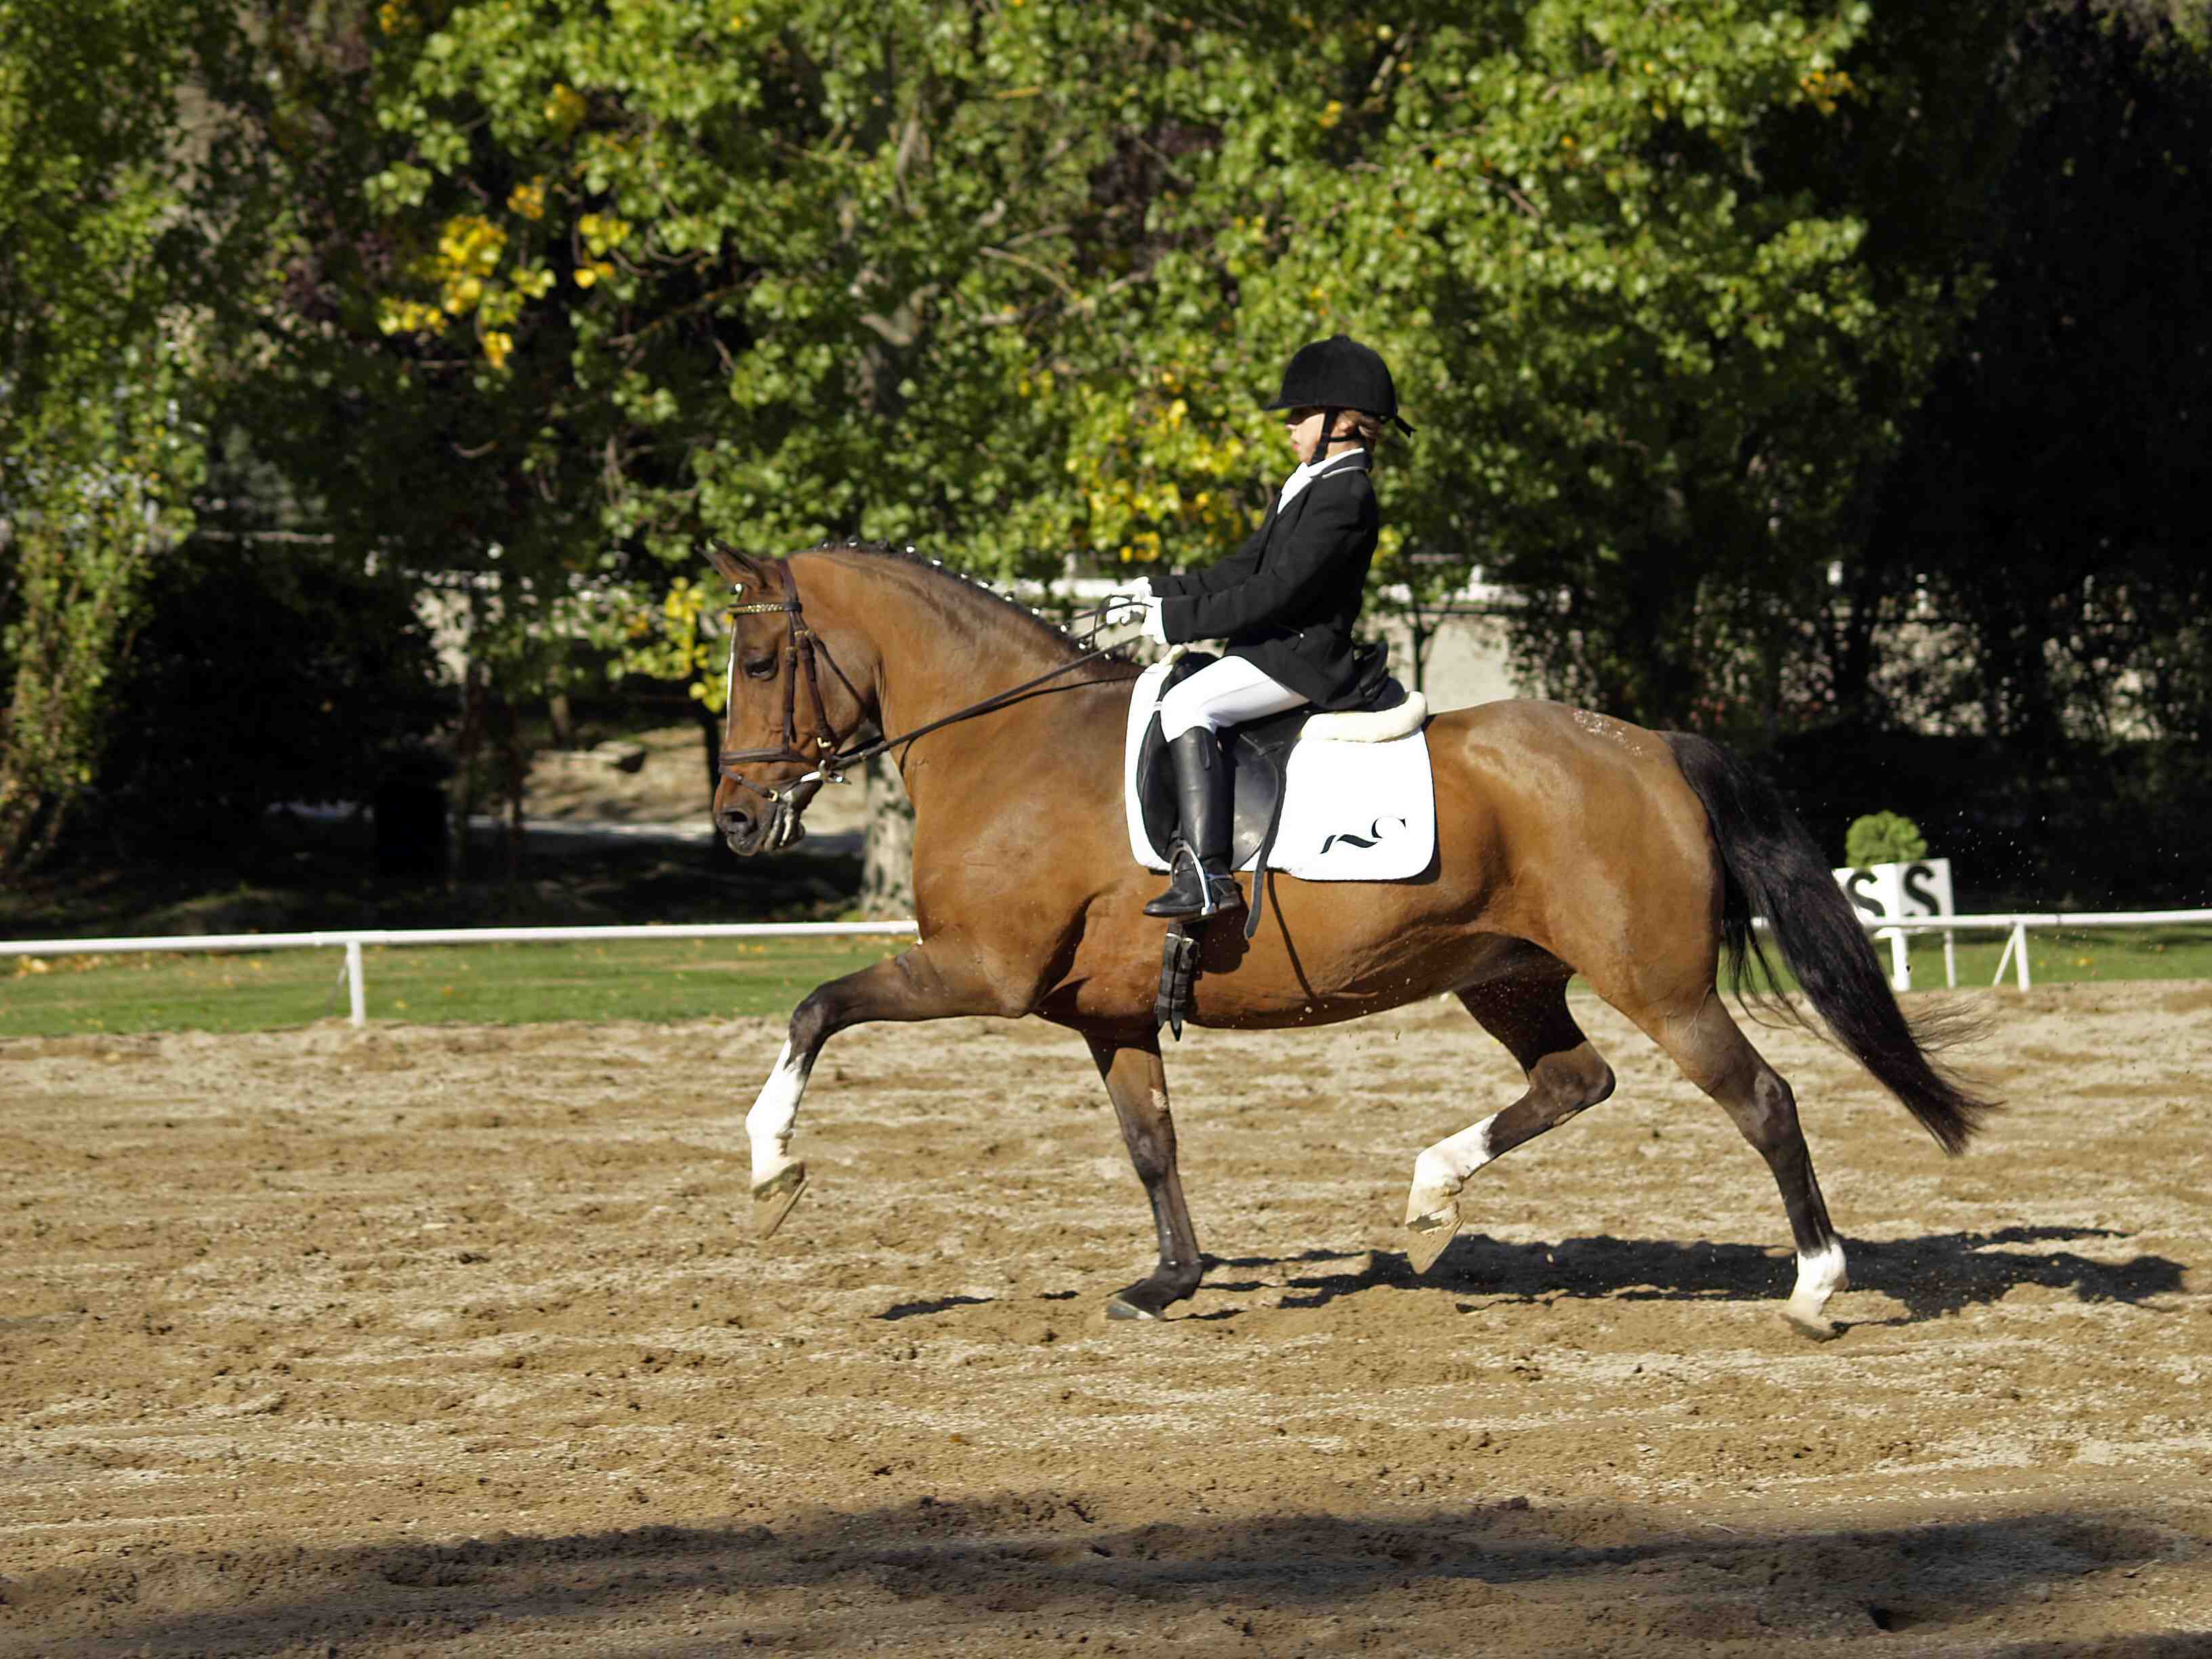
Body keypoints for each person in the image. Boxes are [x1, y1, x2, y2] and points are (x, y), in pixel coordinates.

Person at [1122, 333, 1414, 921]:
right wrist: (1157, 591)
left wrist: (1175, 623)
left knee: (1185, 707)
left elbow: (1275, 593)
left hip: (1301, 660)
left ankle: (1208, 877)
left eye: (1301, 415)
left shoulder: (1345, 495)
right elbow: (1242, 569)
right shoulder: (1310, 484)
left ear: (1343, 422)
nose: (1290, 426)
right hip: (1274, 649)